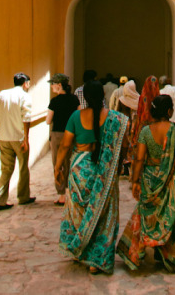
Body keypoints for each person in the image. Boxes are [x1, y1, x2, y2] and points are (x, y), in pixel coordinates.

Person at [54, 80, 128, 274]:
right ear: (103, 95)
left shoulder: (76, 117)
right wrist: (118, 167)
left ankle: (83, 251)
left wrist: (57, 167)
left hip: (80, 172)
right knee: (103, 215)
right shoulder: (116, 119)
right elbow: (124, 146)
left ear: (84, 97)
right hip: (104, 172)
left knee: (80, 213)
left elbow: (65, 145)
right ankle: (97, 259)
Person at [117, 94, 175, 272]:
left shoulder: (146, 132)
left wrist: (135, 181)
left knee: (150, 215)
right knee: (173, 217)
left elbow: (139, 159)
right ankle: (170, 256)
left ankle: (141, 250)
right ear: (169, 111)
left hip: (150, 179)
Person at [0, 72, 36, 210]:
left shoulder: (2, 94)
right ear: (25, 83)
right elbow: (26, 118)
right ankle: (23, 197)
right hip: (18, 138)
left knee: (6, 169)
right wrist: (26, 140)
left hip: (4, 137)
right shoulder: (25, 96)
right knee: (23, 167)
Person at [45, 73, 80, 205]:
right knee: (70, 162)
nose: (52, 87)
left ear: (59, 85)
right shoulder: (74, 99)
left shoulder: (54, 101)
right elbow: (79, 114)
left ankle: (61, 194)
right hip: (72, 134)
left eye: (53, 84)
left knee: (57, 164)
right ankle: (71, 191)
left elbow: (48, 121)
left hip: (58, 134)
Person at [129, 75, 160, 162]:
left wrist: (135, 131)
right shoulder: (159, 98)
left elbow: (140, 114)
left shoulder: (143, 97)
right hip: (156, 128)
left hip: (143, 127)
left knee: (141, 154)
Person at [118, 79, 140, 176]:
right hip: (135, 128)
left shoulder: (122, 100)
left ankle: (125, 165)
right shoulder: (139, 99)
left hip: (125, 127)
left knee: (125, 146)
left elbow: (118, 112)